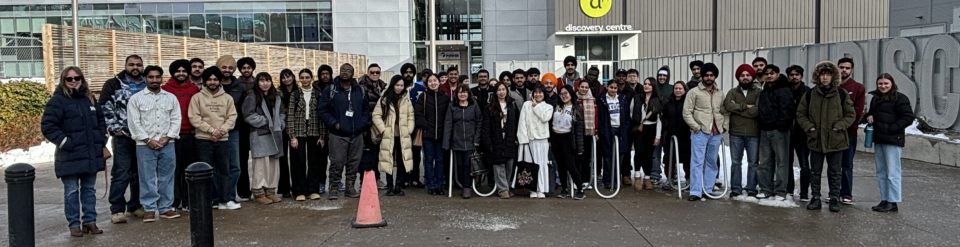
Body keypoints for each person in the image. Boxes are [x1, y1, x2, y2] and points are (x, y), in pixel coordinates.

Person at [42, 66, 107, 236]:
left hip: (90, 154)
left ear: (81, 79)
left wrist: (101, 138)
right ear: (63, 80)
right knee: (71, 191)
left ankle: (90, 221)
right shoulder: (57, 100)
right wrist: (65, 142)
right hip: (69, 155)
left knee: (89, 190)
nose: (73, 81)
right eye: (69, 79)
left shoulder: (90, 98)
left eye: (76, 78)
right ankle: (74, 224)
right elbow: (48, 126)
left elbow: (101, 120)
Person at [796, 61, 855, 213]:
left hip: (836, 140)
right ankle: (815, 197)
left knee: (835, 171)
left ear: (833, 76)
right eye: (822, 75)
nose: (825, 78)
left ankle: (834, 198)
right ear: (818, 76)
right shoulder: (810, 94)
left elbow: (851, 115)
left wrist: (839, 126)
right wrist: (809, 127)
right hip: (816, 140)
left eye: (828, 75)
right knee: (815, 171)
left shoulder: (841, 94)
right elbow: (801, 114)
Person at [128, 65, 181, 222]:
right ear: (145, 79)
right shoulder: (136, 99)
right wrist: (147, 139)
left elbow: (176, 118)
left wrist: (167, 137)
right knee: (147, 177)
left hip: (167, 143)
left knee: (167, 176)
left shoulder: (170, 98)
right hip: (144, 145)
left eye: (157, 77)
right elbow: (134, 122)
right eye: (151, 77)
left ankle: (165, 207)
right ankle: (149, 208)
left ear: (161, 78)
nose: (154, 80)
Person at [100, 54, 146, 223]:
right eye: (132, 64)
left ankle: (135, 205)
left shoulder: (147, 84)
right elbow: (105, 107)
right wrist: (114, 128)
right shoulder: (113, 84)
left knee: (140, 172)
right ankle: (117, 209)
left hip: (143, 137)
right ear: (125, 66)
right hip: (123, 137)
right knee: (122, 172)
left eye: (139, 65)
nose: (135, 67)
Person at [189, 66, 240, 210]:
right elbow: (194, 118)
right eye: (209, 79)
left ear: (219, 81)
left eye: (215, 79)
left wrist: (221, 131)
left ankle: (226, 200)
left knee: (224, 171)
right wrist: (211, 131)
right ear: (205, 81)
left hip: (222, 140)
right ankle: (211, 200)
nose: (212, 82)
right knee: (206, 171)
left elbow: (232, 117)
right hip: (203, 139)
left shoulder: (227, 98)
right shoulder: (197, 98)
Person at [318, 63, 371, 200]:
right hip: (338, 134)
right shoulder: (331, 90)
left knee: (354, 162)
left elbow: (366, 110)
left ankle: (350, 187)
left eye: (348, 70)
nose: (345, 72)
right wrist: (334, 123)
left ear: (353, 74)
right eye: (342, 70)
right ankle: (334, 187)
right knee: (337, 162)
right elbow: (322, 110)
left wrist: (363, 124)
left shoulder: (360, 90)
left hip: (356, 133)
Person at [864, 73, 914, 213]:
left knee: (893, 172)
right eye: (880, 83)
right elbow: (871, 114)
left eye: (886, 83)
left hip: (893, 139)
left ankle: (893, 201)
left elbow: (908, 117)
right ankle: (884, 199)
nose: (883, 86)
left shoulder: (900, 98)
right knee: (881, 171)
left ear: (892, 83)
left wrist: (892, 128)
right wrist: (868, 116)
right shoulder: (876, 98)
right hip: (879, 138)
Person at [682, 63, 726, 201]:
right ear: (702, 76)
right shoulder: (693, 92)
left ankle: (707, 188)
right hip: (700, 132)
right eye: (706, 75)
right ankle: (695, 191)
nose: (708, 77)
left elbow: (725, 112)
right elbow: (686, 112)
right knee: (697, 161)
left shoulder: (720, 93)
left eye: (711, 75)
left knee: (711, 161)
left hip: (716, 132)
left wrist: (724, 126)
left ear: (715, 76)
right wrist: (696, 127)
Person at [161, 60, 200, 210]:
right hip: (172, 136)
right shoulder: (165, 89)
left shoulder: (194, 89)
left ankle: (188, 200)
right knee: (173, 170)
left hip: (190, 134)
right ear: (172, 73)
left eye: (184, 71)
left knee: (189, 169)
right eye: (178, 71)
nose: (181, 73)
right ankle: (174, 200)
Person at [243, 72, 285, 205]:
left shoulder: (276, 96)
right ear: (257, 82)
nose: (265, 83)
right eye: (262, 81)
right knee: (261, 164)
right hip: (260, 133)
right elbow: (248, 115)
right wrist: (265, 121)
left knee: (273, 163)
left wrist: (280, 122)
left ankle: (271, 191)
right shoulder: (252, 96)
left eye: (267, 80)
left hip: (275, 133)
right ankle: (258, 192)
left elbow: (282, 113)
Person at [756, 65, 796, 203]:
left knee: (781, 162)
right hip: (765, 130)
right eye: (766, 74)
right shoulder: (765, 90)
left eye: (772, 73)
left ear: (778, 74)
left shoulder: (784, 90)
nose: (769, 76)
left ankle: (780, 191)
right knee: (765, 162)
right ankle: (766, 189)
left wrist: (781, 126)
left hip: (779, 131)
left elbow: (787, 110)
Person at [287, 69, 329, 201]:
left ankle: (313, 189)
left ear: (311, 78)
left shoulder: (318, 94)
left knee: (314, 161)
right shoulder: (295, 94)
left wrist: (322, 136)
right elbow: (290, 116)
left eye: (307, 77)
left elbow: (321, 115)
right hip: (299, 130)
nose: (305, 80)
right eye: (302, 77)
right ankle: (299, 191)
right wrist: (292, 136)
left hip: (314, 130)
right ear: (299, 79)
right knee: (298, 161)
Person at [373, 75, 416, 196]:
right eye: (397, 85)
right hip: (389, 135)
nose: (399, 87)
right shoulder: (385, 99)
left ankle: (398, 185)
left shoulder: (406, 99)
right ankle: (390, 186)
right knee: (388, 160)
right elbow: (376, 115)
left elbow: (411, 116)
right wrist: (383, 129)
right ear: (393, 85)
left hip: (403, 135)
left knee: (402, 161)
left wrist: (409, 129)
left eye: (401, 85)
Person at [724, 64, 761, 199]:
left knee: (753, 163)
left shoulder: (758, 92)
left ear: (752, 77)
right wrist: (746, 107)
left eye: (748, 75)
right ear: (738, 77)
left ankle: (751, 188)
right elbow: (728, 106)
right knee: (736, 162)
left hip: (753, 133)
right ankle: (736, 188)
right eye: (742, 75)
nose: (745, 78)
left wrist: (738, 109)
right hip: (736, 133)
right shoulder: (732, 92)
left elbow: (757, 111)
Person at [217, 55, 250, 202]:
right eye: (224, 67)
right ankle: (218, 196)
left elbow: (244, 110)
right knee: (218, 166)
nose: (227, 70)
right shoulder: (211, 84)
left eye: (230, 68)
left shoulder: (239, 87)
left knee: (235, 165)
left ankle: (230, 196)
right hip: (214, 131)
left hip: (235, 131)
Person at [480, 82, 520, 199]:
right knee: (498, 165)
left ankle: (506, 186)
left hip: (510, 139)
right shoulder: (489, 107)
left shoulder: (512, 105)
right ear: (495, 92)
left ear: (506, 91)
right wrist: (487, 142)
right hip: (495, 139)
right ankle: (502, 189)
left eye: (503, 89)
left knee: (509, 165)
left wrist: (516, 138)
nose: (501, 92)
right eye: (499, 90)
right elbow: (486, 126)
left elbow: (517, 123)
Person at [443, 84, 483, 199]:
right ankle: (460, 184)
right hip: (457, 142)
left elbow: (479, 122)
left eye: (464, 92)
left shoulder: (474, 105)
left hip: (471, 142)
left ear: (468, 93)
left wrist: (477, 139)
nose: (462, 94)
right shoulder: (452, 106)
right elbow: (448, 124)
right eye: (460, 92)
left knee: (468, 165)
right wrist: (447, 142)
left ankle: (467, 187)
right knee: (459, 166)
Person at [415, 73, 450, 195]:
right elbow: (418, 114)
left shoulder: (445, 98)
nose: (433, 83)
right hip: (427, 135)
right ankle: (431, 184)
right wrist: (425, 126)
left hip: (441, 135)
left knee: (440, 160)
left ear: (439, 82)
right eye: (430, 81)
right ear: (427, 83)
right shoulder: (423, 97)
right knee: (429, 160)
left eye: (435, 80)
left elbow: (448, 116)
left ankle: (439, 184)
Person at [837, 57, 866, 205]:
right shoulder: (831, 86)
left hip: (849, 133)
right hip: (833, 133)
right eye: (841, 67)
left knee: (847, 164)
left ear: (852, 70)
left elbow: (857, 111)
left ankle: (846, 193)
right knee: (834, 164)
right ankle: (834, 192)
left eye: (847, 68)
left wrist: (844, 125)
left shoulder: (858, 88)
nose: (844, 70)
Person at [551, 85, 587, 199]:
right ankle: (564, 189)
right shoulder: (556, 107)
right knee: (560, 165)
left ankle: (580, 189)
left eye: (566, 93)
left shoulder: (576, 108)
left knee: (571, 165)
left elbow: (579, 130)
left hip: (568, 139)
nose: (564, 96)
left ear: (571, 94)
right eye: (561, 94)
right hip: (556, 138)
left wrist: (580, 147)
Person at [518, 85, 553, 199]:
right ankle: (532, 189)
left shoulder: (548, 107)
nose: (538, 95)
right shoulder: (526, 105)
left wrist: (535, 106)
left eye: (540, 92)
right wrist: (523, 140)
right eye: (536, 92)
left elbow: (545, 118)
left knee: (542, 165)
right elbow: (522, 122)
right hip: (529, 140)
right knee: (530, 165)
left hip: (542, 140)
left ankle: (541, 189)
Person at [596, 80, 631, 189]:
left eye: (615, 88)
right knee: (607, 157)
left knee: (620, 155)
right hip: (608, 129)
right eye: (611, 87)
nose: (613, 90)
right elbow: (600, 116)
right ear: (607, 87)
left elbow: (626, 114)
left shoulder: (622, 98)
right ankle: (608, 180)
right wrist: (602, 130)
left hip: (620, 129)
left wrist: (625, 127)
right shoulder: (601, 99)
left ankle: (616, 179)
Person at [630, 78, 663, 191]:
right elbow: (631, 112)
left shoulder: (657, 100)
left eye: (649, 84)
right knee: (639, 152)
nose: (646, 86)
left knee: (649, 154)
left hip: (652, 128)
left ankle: (647, 177)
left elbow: (659, 120)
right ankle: (638, 176)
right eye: (645, 84)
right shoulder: (637, 97)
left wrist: (657, 136)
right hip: (639, 128)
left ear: (653, 86)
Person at [359, 64, 387, 189]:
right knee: (365, 155)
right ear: (368, 72)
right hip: (366, 126)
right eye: (372, 72)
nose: (375, 74)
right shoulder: (361, 87)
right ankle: (363, 181)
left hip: (379, 125)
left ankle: (377, 178)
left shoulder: (383, 86)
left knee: (376, 154)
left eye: (377, 72)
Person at [786, 65, 811, 201]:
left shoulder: (808, 92)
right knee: (787, 163)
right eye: (792, 74)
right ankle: (789, 189)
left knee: (804, 164)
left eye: (797, 74)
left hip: (803, 134)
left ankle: (804, 192)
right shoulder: (785, 91)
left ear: (801, 76)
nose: (794, 77)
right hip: (788, 132)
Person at [661, 81, 692, 188]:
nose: (678, 91)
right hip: (671, 134)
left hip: (685, 135)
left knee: (687, 158)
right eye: (676, 88)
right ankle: (670, 178)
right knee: (669, 158)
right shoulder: (668, 102)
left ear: (684, 90)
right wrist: (666, 126)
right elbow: (663, 116)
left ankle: (689, 178)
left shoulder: (688, 102)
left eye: (680, 89)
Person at [402, 64, 425, 189]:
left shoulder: (420, 89)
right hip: (402, 126)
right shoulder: (399, 88)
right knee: (404, 153)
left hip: (416, 127)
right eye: (406, 72)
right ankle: (404, 178)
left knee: (416, 153)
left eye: (411, 72)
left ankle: (415, 178)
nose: (408, 74)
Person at [276, 69, 297, 198]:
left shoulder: (298, 92)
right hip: (283, 127)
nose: (286, 79)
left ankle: (297, 186)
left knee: (296, 158)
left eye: (288, 76)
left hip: (296, 127)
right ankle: (284, 188)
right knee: (282, 159)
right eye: (283, 77)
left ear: (293, 77)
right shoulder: (279, 93)